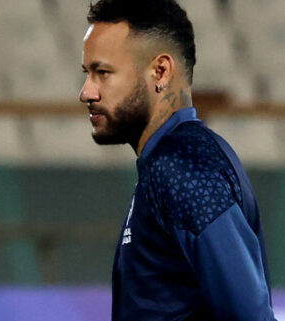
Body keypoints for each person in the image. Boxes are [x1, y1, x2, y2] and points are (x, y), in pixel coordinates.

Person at [79, 0, 276, 320]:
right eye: (87, 74)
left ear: (160, 71)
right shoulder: (172, 160)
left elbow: (249, 315)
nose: (86, 92)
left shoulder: (183, 167)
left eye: (102, 73)